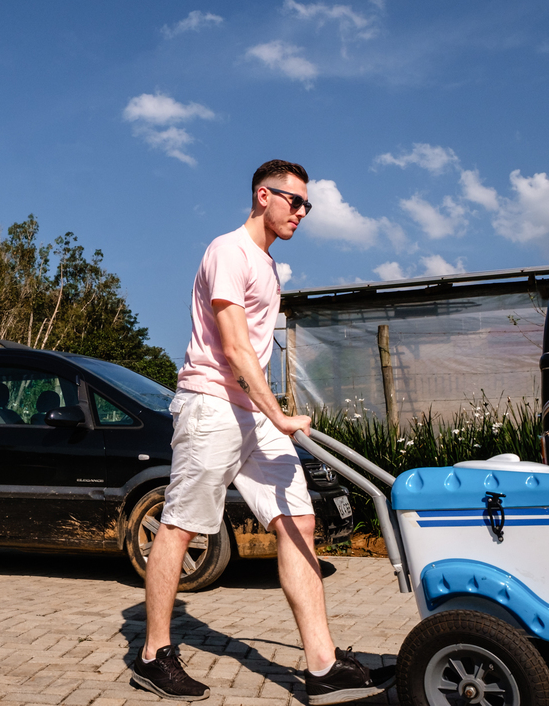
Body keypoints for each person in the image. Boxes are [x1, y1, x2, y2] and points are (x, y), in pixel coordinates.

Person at [131, 160, 395, 704]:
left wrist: (270, 414)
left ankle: (321, 665)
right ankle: (154, 655)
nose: (302, 213)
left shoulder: (269, 267)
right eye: (294, 201)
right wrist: (277, 413)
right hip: (212, 406)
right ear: (262, 196)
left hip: (253, 413)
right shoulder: (228, 251)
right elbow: (233, 348)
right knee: (181, 527)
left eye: (307, 205)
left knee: (298, 520)